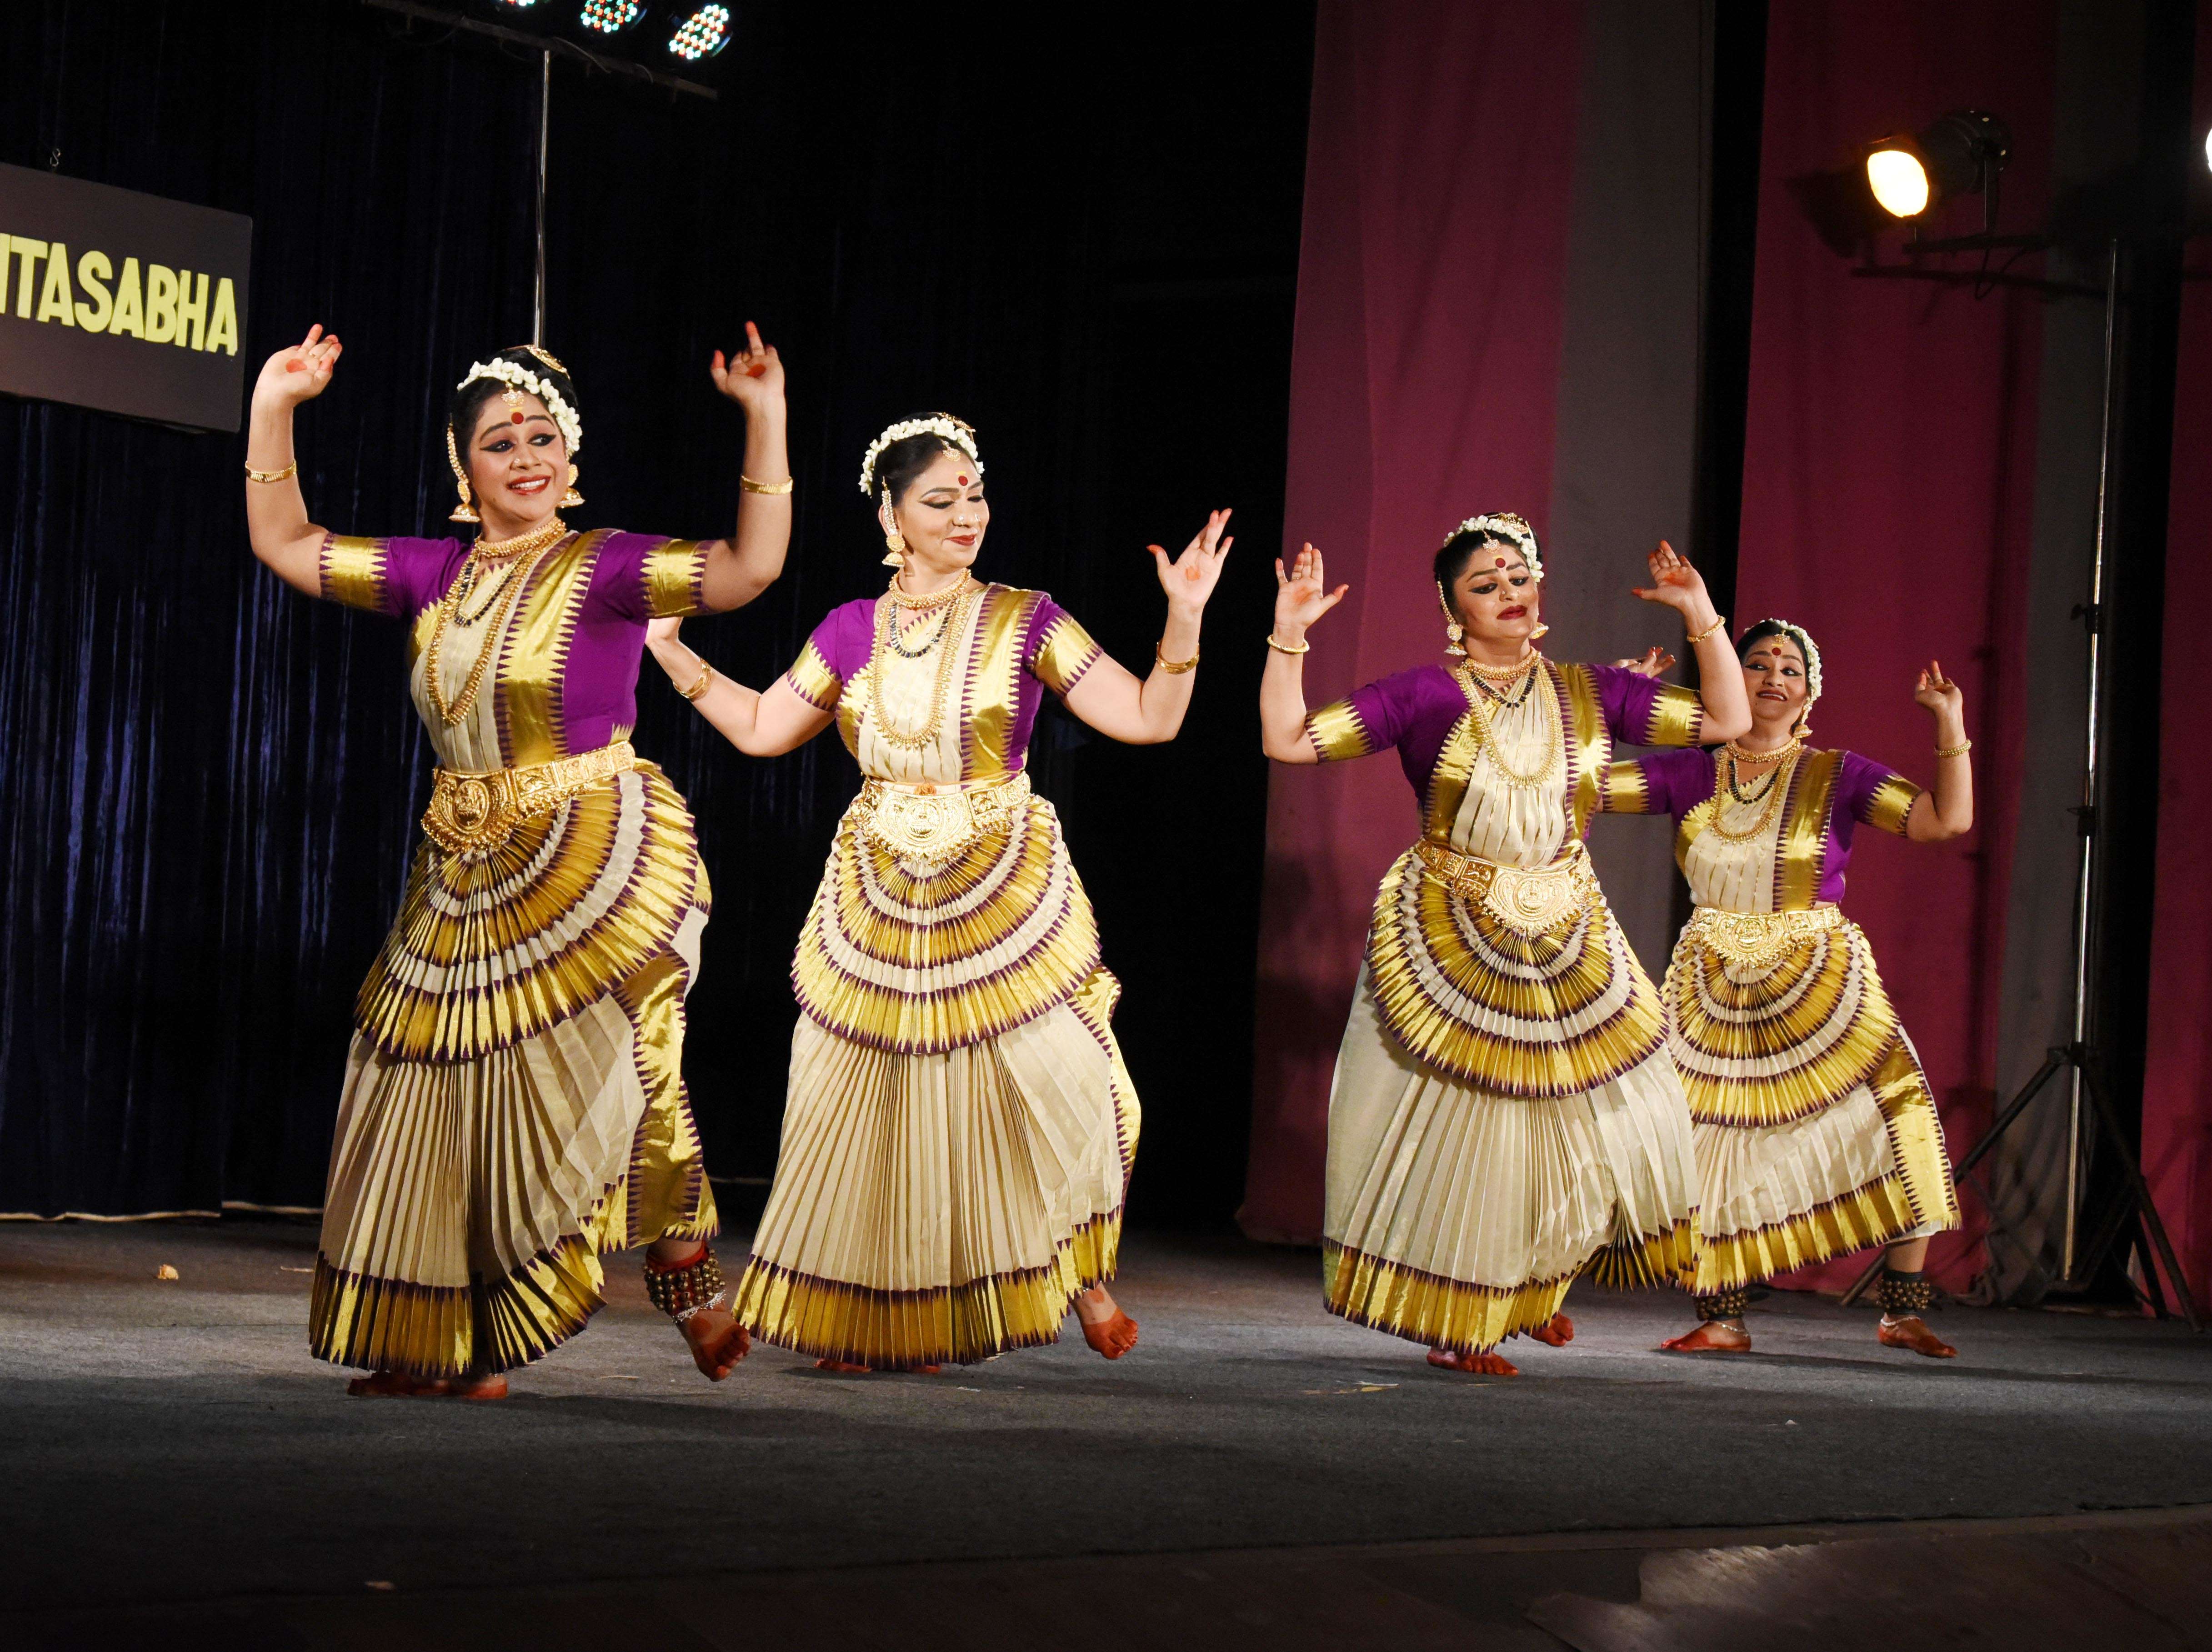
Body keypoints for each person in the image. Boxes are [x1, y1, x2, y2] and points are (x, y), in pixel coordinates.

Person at [243, 320, 792, 1397]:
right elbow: (283, 539)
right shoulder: (426, 573)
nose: (527, 455)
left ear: (572, 460)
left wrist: (764, 420)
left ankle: (680, 1260)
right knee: (425, 1082)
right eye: (500, 441)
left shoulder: (613, 567)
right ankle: (439, 1340)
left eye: (544, 435)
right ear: (464, 469)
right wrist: (276, 403)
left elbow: (749, 568)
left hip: (593, 845)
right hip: (464, 861)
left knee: (611, 1066)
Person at [646, 414, 1229, 1371]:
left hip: (998, 877)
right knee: (870, 1101)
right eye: (941, 500)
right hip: (877, 880)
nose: (968, 516)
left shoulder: (1026, 616)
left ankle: (1076, 1269)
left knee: (1038, 1082)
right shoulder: (849, 627)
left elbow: (1148, 717)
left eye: (976, 496)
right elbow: (759, 726)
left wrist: (1187, 613)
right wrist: (672, 653)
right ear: (893, 515)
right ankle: (879, 1320)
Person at [1259, 517, 1751, 1375]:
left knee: (1626, 1103)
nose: (1509, 594)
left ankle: (1530, 1282)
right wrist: (1289, 635)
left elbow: (1725, 718)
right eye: (1484, 586)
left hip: (1566, 916)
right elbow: (1287, 742)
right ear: (1452, 610)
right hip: (1455, 914)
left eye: (1518, 577)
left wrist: (1698, 609)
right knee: (1475, 1123)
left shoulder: (1591, 689)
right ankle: (1464, 1321)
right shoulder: (1422, 693)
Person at [1604, 620, 1970, 1357]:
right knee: (1709, 1139)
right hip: (1712, 976)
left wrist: (1948, 722)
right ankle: (1722, 1318)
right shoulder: (1690, 772)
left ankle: (1901, 1310)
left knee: (1894, 1105)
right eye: (1757, 663)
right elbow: (1573, 788)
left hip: (1817, 970)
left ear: (1810, 693)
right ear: (1729, 684)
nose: (1774, 675)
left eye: (1791, 667)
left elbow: (1943, 821)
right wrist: (1612, 704)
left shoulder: (1840, 774)